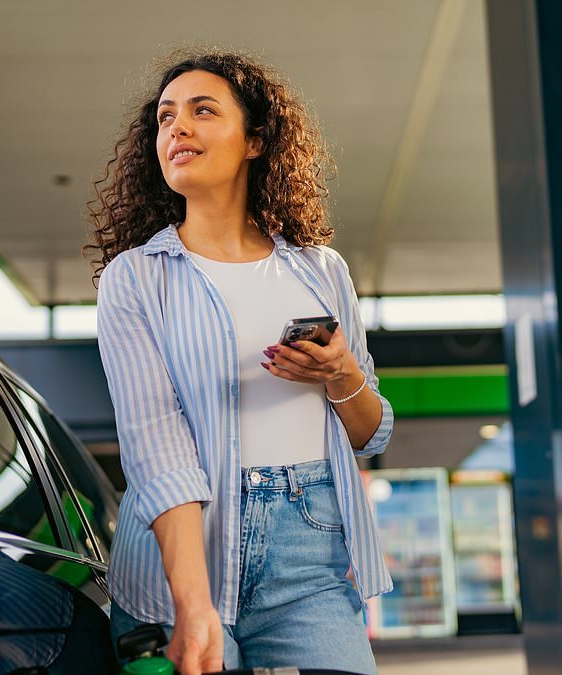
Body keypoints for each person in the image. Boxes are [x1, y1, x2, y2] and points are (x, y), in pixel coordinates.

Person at [86, 49, 394, 675]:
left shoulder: (320, 271)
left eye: (203, 110)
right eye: (166, 117)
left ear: (255, 140)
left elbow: (371, 434)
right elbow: (156, 449)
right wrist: (192, 604)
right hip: (180, 562)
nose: (178, 126)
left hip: (308, 559)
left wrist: (341, 375)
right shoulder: (136, 279)